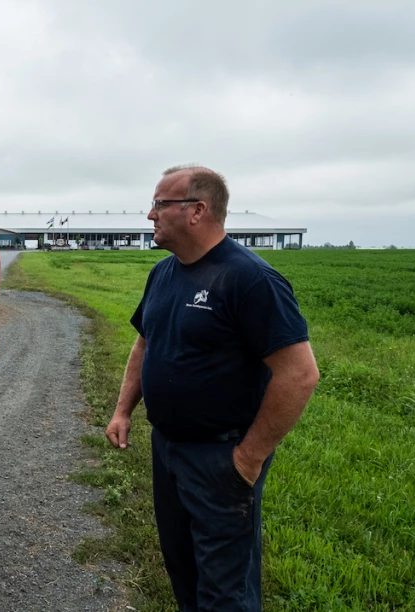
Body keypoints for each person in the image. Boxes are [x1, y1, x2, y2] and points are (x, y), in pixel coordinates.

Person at [105, 165, 319, 611]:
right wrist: (123, 410)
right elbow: (145, 342)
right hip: (168, 449)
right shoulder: (163, 273)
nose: (150, 215)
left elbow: (299, 374)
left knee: (225, 591)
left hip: (222, 458)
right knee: (182, 570)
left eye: (160, 204)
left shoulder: (250, 279)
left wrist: (248, 458)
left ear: (197, 210)